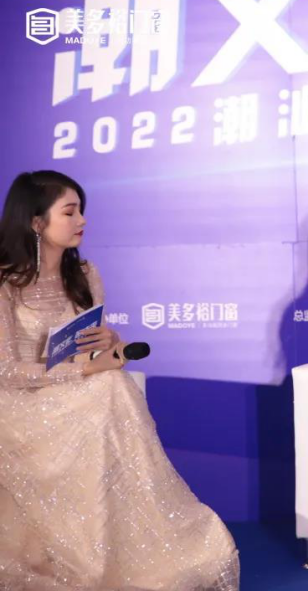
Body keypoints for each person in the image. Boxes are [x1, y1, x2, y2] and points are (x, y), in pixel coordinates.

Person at [0, 171, 240, 590]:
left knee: (111, 387)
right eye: (69, 212)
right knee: (106, 390)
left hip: (77, 394)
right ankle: (83, 558)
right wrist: (86, 370)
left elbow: (90, 349)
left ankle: (121, 548)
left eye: (81, 211)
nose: (82, 221)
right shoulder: (5, 282)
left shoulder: (85, 273)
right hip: (20, 403)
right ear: (36, 222)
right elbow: (6, 371)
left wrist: (108, 346)